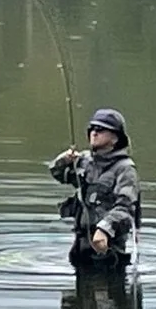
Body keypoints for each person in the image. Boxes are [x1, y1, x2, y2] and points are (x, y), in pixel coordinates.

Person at [49, 107, 139, 270]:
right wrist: (63, 161)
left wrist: (105, 229)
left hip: (109, 249)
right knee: (81, 293)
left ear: (115, 138)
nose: (94, 133)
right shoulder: (84, 161)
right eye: (92, 129)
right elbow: (60, 175)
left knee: (107, 291)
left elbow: (126, 208)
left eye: (101, 129)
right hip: (80, 245)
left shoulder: (125, 169)